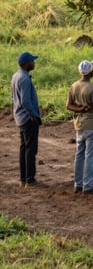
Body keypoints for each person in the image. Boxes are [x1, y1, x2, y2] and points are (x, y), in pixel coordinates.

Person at [66, 59, 93, 194]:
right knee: (90, 157)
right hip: (91, 125)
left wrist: (80, 110)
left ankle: (78, 184)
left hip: (79, 125)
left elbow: (69, 106)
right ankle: (87, 186)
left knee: (79, 155)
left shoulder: (73, 86)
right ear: (91, 73)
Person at [11, 51, 42, 186]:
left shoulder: (16, 76)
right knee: (30, 149)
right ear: (26, 63)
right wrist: (34, 115)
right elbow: (25, 101)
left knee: (24, 148)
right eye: (32, 61)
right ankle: (30, 178)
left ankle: (23, 177)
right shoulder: (24, 78)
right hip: (27, 118)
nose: (33, 63)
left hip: (19, 117)